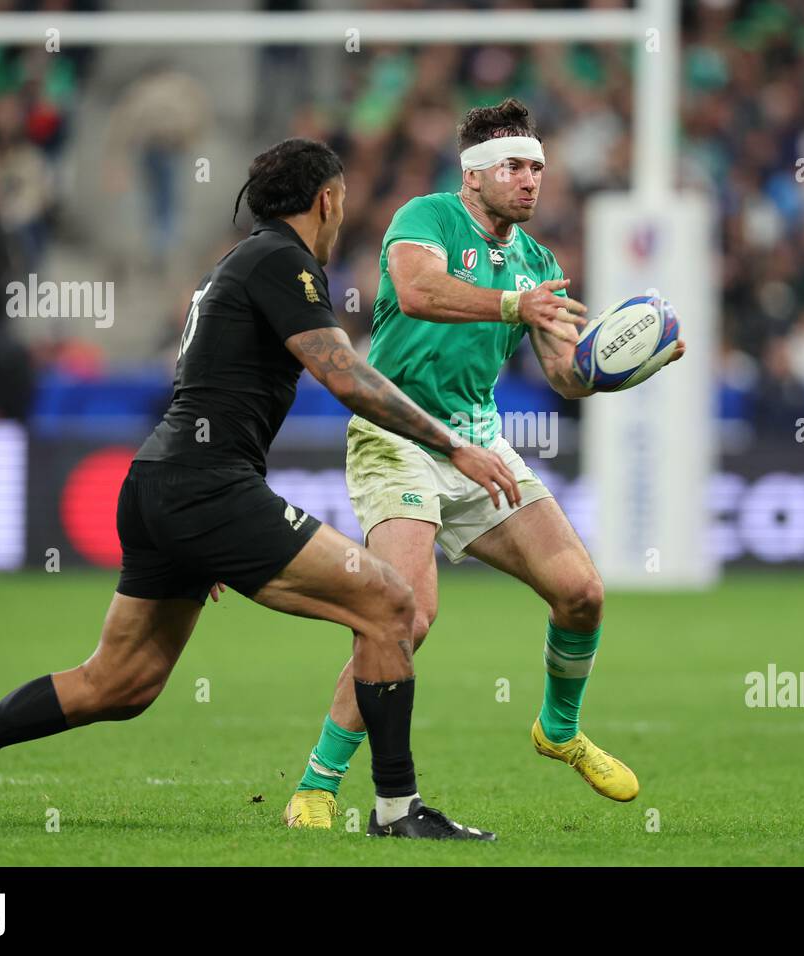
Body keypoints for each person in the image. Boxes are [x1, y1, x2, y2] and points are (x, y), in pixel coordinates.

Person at [0, 139, 519, 841]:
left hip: (167, 483)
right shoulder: (281, 262)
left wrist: (209, 539)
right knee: (390, 602)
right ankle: (397, 810)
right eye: (343, 202)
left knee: (118, 683)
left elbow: (218, 390)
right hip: (203, 487)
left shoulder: (234, 266)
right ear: (326, 200)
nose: (342, 216)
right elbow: (346, 377)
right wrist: (452, 443)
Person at [284, 100, 685, 829]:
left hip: (481, 442)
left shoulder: (538, 262)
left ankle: (557, 731)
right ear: (473, 178)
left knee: (582, 593)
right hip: (398, 431)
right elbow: (416, 291)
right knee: (407, 615)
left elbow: (566, 376)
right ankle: (316, 783)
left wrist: (624, 368)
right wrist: (514, 306)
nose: (531, 180)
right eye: (515, 167)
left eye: (537, 167)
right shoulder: (426, 217)